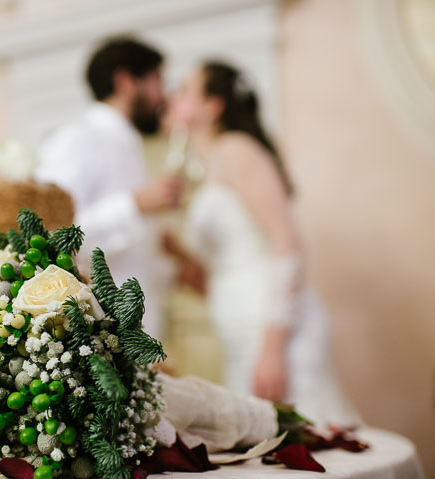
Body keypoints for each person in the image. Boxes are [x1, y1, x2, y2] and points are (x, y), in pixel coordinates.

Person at [162, 61, 358, 425]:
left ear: (213, 106)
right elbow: (216, 275)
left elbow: (288, 244)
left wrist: (273, 346)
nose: (173, 96)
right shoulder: (205, 168)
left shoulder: (237, 149)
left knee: (303, 444)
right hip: (238, 330)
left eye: (186, 89)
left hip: (276, 333)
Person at [35, 38, 181, 340]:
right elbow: (52, 233)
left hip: (142, 325)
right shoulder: (76, 139)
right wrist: (134, 206)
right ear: (126, 82)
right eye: (156, 81)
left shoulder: (129, 144)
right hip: (98, 330)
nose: (162, 96)